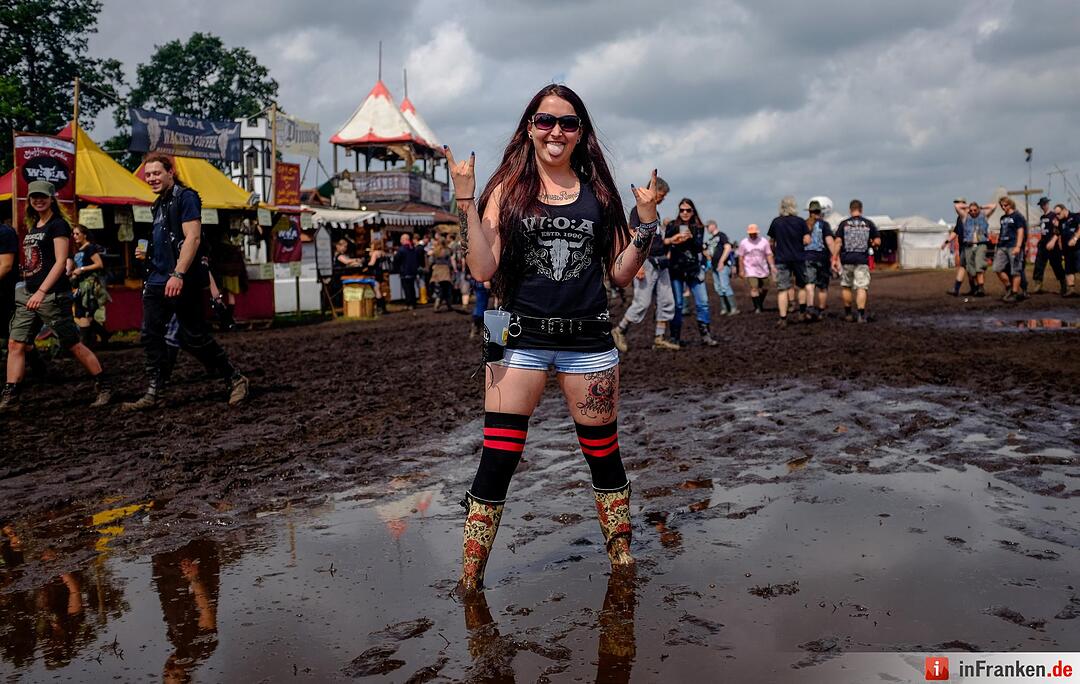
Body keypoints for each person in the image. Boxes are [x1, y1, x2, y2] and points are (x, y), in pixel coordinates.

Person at [444, 83, 661, 595]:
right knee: (498, 456)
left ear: (581, 133)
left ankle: (621, 557)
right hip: (515, 338)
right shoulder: (505, 191)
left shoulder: (601, 196)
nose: (555, 131)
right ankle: (470, 577)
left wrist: (646, 226)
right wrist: (464, 201)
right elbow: (482, 268)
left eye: (567, 123)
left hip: (587, 341)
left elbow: (621, 272)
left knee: (602, 452)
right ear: (529, 128)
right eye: (545, 121)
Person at [123, 153, 248, 410]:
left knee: (194, 337)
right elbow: (166, 242)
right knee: (149, 334)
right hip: (157, 278)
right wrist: (146, 255)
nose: (152, 178)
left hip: (181, 278)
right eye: (148, 175)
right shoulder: (157, 205)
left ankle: (235, 378)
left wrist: (178, 274)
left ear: (171, 171)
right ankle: (154, 392)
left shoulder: (186, 197)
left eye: (157, 173)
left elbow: (193, 239)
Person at [1, 181, 111, 410]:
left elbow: (61, 262)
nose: (38, 200)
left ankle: (104, 385)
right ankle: (11, 396)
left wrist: (42, 291)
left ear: (52, 198)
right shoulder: (35, 226)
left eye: (43, 196)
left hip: (51, 295)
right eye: (34, 197)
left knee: (72, 344)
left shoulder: (58, 225)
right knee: (15, 344)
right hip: (28, 294)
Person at [610, 177, 680, 352]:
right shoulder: (637, 210)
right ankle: (619, 331)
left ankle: (659, 337)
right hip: (646, 262)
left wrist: (671, 240)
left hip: (661, 262)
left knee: (666, 301)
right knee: (642, 302)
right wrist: (638, 265)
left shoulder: (655, 213)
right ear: (654, 191)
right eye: (662, 195)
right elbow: (633, 234)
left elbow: (655, 240)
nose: (662, 199)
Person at [665, 198, 717, 346]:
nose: (685, 213)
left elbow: (699, 247)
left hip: (694, 269)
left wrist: (691, 237)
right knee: (678, 304)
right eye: (682, 210)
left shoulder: (698, 227)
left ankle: (705, 335)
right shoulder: (672, 226)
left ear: (693, 211)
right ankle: (675, 337)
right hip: (676, 269)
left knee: (703, 302)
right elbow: (665, 244)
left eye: (688, 210)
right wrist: (674, 239)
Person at [833, 199, 880, 323]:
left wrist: (834, 258)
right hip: (862, 260)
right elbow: (877, 241)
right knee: (861, 287)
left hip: (846, 259)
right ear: (861, 210)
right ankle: (860, 315)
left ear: (850, 210)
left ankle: (848, 314)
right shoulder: (868, 223)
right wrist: (872, 243)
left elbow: (837, 242)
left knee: (846, 286)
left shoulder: (844, 224)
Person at [767, 195, 809, 326]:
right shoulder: (800, 221)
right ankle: (802, 313)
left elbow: (771, 243)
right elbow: (807, 240)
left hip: (782, 258)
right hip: (798, 258)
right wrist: (800, 244)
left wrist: (776, 251)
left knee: (783, 289)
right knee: (801, 286)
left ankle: (783, 318)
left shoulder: (776, 222)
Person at [68, 224, 112, 348]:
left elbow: (99, 264)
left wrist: (82, 269)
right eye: (74, 234)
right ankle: (104, 336)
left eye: (77, 233)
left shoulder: (90, 248)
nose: (75, 236)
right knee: (85, 315)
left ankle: (84, 346)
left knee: (84, 314)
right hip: (80, 285)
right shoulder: (79, 250)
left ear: (84, 235)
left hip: (89, 286)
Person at [945, 199, 993, 297]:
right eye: (957, 202)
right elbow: (955, 231)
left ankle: (975, 288)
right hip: (966, 245)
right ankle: (973, 288)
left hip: (977, 244)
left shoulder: (979, 216)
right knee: (970, 269)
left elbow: (993, 206)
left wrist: (976, 206)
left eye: (960, 202)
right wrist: (947, 241)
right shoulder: (962, 217)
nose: (958, 204)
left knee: (976, 266)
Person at [802, 199, 834, 321]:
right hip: (822, 258)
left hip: (807, 257)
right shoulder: (824, 225)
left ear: (809, 212)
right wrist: (835, 256)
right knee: (822, 287)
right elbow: (829, 241)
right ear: (819, 212)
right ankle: (820, 311)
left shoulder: (803, 224)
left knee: (809, 285)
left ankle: (809, 308)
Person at [994, 196, 1027, 302]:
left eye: (1005, 205)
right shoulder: (1002, 218)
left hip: (1013, 245)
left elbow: (1020, 231)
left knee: (1015, 270)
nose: (1003, 207)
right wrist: (997, 245)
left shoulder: (1018, 216)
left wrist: (1018, 246)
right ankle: (1009, 287)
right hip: (1002, 246)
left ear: (1010, 204)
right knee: (997, 268)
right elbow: (1002, 231)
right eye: (1002, 205)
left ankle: (1015, 293)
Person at [1032, 197, 1066, 296]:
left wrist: (1053, 241)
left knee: (1056, 265)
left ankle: (1063, 284)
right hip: (1043, 245)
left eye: (1044, 204)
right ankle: (1038, 285)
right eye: (1041, 205)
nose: (1043, 206)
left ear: (1047, 204)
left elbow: (1057, 230)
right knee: (1039, 264)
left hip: (1052, 245)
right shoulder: (1042, 218)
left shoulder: (1054, 216)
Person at [737, 224, 774, 313]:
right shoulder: (744, 243)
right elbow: (741, 257)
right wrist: (741, 270)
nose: (752, 235)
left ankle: (759, 303)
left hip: (763, 268)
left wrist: (772, 266)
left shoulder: (764, 241)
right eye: (750, 233)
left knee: (765, 288)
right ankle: (758, 308)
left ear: (757, 233)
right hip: (750, 269)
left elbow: (768, 254)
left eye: (754, 233)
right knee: (754, 288)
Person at [706, 220, 738, 315]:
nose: (707, 228)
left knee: (725, 286)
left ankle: (733, 308)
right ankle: (725, 308)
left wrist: (721, 261)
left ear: (713, 225)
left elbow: (728, 248)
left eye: (708, 226)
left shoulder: (721, 235)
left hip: (722, 265)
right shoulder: (711, 239)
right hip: (714, 265)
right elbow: (706, 250)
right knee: (718, 287)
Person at [0, 215, 17, 358]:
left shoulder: (5, 232)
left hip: (5, 291)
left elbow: (6, 266)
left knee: (13, 334)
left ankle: (38, 368)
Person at [1055, 203, 1080, 297]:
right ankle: (1071, 290)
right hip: (1067, 251)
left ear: (1064, 210)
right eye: (1056, 214)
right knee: (1068, 270)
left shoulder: (1075, 216)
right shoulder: (1061, 222)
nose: (1057, 216)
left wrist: (1075, 239)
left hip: (1078, 248)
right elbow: (1059, 235)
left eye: (1058, 213)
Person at [393, 233, 423, 309]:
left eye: (401, 239)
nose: (400, 241)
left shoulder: (401, 249)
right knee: (412, 288)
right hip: (413, 271)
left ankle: (409, 303)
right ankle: (413, 303)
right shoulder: (413, 248)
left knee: (407, 288)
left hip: (405, 271)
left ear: (404, 240)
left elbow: (396, 260)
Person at [429, 234, 456, 312]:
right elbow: (450, 261)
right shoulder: (448, 250)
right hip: (445, 271)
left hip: (437, 271)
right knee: (447, 289)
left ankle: (436, 306)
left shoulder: (435, 251)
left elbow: (431, 261)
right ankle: (449, 306)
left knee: (439, 289)